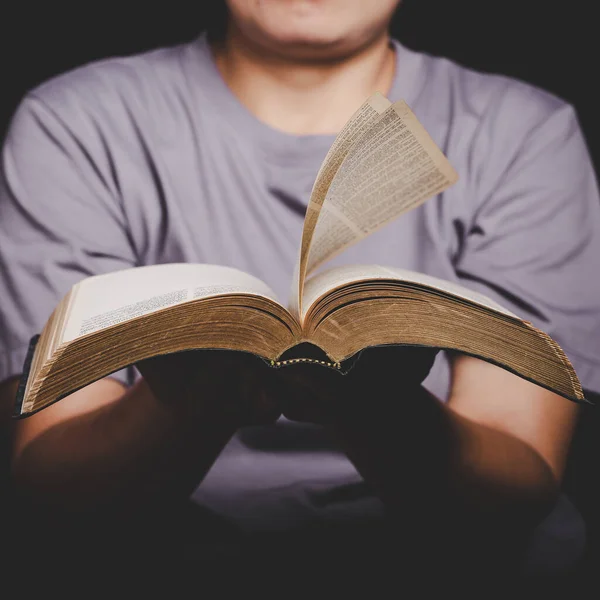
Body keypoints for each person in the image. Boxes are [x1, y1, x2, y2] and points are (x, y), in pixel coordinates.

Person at [1, 0, 599, 590]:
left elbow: (510, 494)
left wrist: (373, 404)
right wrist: (192, 401)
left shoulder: (522, 131)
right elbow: (55, 492)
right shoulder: (76, 121)